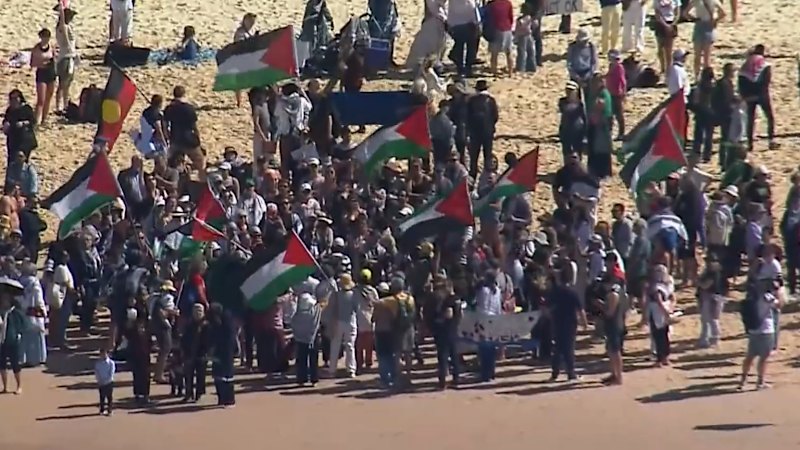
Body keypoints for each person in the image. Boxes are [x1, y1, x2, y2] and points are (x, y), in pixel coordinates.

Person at [738, 275, 781, 391]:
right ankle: (760, 381)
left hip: (753, 329)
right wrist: (778, 293)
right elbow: (779, 305)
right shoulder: (767, 297)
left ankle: (743, 380)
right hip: (766, 330)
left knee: (750, 356)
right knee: (764, 358)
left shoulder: (751, 297)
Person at [547, 266, 587, 382]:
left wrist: (551, 318)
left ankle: (554, 374)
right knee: (569, 348)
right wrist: (584, 324)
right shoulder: (573, 293)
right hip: (570, 324)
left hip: (557, 322)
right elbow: (580, 310)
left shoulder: (555, 292)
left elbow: (548, 309)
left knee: (557, 349)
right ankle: (571, 373)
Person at [422, 274, 462, 389]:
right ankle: (456, 378)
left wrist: (431, 327)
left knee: (442, 355)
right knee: (454, 353)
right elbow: (458, 314)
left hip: (439, 329)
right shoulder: (452, 297)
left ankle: (442, 380)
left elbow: (427, 313)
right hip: (452, 328)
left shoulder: (432, 296)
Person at [739, 45, 778, 150]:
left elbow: (741, 81)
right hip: (762, 95)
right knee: (769, 117)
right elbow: (766, 82)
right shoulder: (765, 65)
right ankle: (771, 140)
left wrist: (745, 95)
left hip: (750, 96)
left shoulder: (745, 65)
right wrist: (761, 94)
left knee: (750, 119)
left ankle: (750, 143)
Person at [327, 273, 359, 378]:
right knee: (350, 346)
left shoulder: (336, 295)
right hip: (350, 321)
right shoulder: (354, 295)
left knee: (335, 345)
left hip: (338, 322)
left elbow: (332, 308)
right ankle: (351, 369)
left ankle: (332, 370)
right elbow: (356, 309)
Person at [466, 80, 499, 179]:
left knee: (474, 156)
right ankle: (487, 174)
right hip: (488, 131)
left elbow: (468, 117)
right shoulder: (491, 100)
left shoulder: (471, 100)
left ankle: (473, 175)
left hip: (475, 132)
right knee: (487, 154)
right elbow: (495, 116)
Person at [0, 277, 26, 394]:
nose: (4, 300)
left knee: (15, 364)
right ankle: (5, 386)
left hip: (13, 340)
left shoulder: (15, 311)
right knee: (2, 364)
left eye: (6, 298)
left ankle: (19, 385)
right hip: (1, 340)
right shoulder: (0, 312)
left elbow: (22, 324)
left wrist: (19, 334)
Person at [686, 0, 725, 79]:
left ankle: (697, 77)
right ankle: (706, 79)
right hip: (709, 27)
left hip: (699, 25)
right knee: (707, 58)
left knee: (697, 56)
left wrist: (694, 19)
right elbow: (723, 13)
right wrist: (715, 20)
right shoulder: (714, 1)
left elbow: (686, 13)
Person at [475, 270, 502, 382]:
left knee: (483, 348)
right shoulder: (498, 291)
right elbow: (498, 307)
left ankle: (485, 373)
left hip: (483, 318)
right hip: (494, 318)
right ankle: (491, 372)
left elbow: (478, 303)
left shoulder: (483, 290)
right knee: (491, 347)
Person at [208, 303, 236, 407]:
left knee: (227, 376)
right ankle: (221, 398)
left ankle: (229, 399)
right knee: (217, 375)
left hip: (226, 352)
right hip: (216, 351)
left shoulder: (227, 322)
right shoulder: (213, 322)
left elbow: (229, 339)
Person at [586, 73, 613, 179]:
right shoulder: (593, 93)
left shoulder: (603, 93)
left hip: (602, 123)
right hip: (594, 123)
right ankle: (594, 169)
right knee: (593, 147)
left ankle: (603, 171)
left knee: (602, 147)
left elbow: (603, 107)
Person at [19, 262, 46, 367]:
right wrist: (43, 309)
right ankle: (37, 358)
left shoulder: (19, 282)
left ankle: (24, 358)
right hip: (35, 312)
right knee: (37, 336)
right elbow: (39, 298)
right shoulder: (35, 283)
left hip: (23, 312)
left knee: (25, 337)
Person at [293, 292, 322, 386]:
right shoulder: (314, 312)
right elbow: (320, 306)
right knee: (313, 359)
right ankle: (314, 379)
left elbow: (292, 323)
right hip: (313, 337)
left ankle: (302, 379)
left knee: (301, 359)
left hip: (300, 339)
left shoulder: (297, 314)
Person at [3, 90, 37, 166]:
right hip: (13, 138)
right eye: (11, 99)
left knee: (22, 159)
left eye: (15, 98)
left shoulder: (26, 108)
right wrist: (6, 124)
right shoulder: (10, 110)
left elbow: (33, 121)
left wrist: (23, 123)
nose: (13, 101)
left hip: (24, 138)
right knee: (11, 160)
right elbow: (6, 119)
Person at [30, 28, 57, 126]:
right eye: (44, 37)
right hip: (41, 72)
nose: (45, 39)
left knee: (48, 98)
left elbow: (54, 57)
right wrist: (42, 64)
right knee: (41, 99)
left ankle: (44, 120)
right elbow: (32, 63)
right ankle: (36, 120)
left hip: (51, 72)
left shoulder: (51, 46)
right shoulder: (36, 48)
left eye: (47, 37)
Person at [689, 67, 716, 161]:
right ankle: (707, 155)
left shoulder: (699, 87)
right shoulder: (713, 87)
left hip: (700, 112)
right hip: (710, 113)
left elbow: (694, 101)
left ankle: (696, 152)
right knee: (709, 135)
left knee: (698, 135)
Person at [55, 6, 78, 114]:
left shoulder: (68, 27)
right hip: (64, 57)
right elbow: (62, 27)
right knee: (62, 83)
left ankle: (65, 104)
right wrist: (61, 13)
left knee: (67, 83)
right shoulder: (62, 27)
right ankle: (58, 105)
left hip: (71, 56)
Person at [447, 0, 480, 77]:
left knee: (465, 45)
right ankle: (464, 68)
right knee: (467, 45)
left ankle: (463, 68)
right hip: (463, 21)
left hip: (460, 21)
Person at [233, 13, 258, 108]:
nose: (252, 24)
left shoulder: (252, 30)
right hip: (241, 59)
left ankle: (254, 98)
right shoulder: (240, 32)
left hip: (252, 58)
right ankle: (239, 102)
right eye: (250, 21)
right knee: (239, 82)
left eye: (253, 22)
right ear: (245, 21)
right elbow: (239, 45)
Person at [487, 0, 514, 76]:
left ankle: (494, 71)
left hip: (496, 29)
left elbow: (489, 19)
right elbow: (511, 17)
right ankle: (510, 72)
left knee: (494, 54)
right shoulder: (508, 3)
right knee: (508, 52)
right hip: (507, 28)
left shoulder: (491, 5)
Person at [654, 0, 679, 74]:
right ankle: (662, 68)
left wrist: (672, 24)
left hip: (671, 22)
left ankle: (669, 69)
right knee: (660, 49)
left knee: (668, 50)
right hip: (660, 24)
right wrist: (665, 25)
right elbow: (657, 14)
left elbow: (677, 13)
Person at [606, 50, 627, 139]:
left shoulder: (619, 67)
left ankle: (621, 133)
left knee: (619, 114)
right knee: (609, 114)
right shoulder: (611, 66)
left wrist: (623, 93)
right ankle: (609, 132)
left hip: (617, 94)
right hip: (610, 92)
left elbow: (623, 81)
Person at [251, 88, 273, 162]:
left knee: (267, 156)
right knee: (259, 156)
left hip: (267, 132)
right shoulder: (257, 107)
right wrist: (263, 137)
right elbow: (256, 123)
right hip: (260, 135)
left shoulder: (265, 105)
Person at [513, 3, 536, 73]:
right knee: (530, 51)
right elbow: (535, 25)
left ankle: (521, 67)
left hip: (522, 36)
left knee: (522, 52)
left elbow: (519, 25)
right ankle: (531, 67)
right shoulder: (529, 18)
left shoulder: (524, 18)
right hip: (528, 35)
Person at [94, 346, 116, 416]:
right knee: (102, 397)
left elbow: (111, 373)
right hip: (101, 382)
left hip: (109, 382)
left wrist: (107, 380)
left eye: (104, 353)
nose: (103, 355)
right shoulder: (98, 364)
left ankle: (110, 410)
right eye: (101, 354)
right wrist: (99, 380)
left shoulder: (111, 363)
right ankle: (102, 410)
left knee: (109, 397)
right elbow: (96, 372)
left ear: (107, 354)